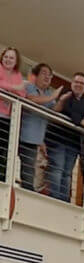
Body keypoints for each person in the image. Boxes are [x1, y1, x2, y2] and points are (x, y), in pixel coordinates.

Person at [49, 72, 84, 202]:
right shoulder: (65, 94)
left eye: (82, 83)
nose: (78, 85)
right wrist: (81, 121)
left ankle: (64, 200)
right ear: (72, 83)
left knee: (67, 173)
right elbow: (67, 110)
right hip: (57, 138)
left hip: (73, 142)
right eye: (76, 82)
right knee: (57, 169)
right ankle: (54, 198)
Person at [19, 63, 60, 192]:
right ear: (35, 76)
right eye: (44, 73)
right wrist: (53, 96)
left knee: (29, 167)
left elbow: (54, 108)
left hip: (35, 138)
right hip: (20, 132)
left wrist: (63, 99)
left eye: (50, 75)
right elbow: (32, 99)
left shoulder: (48, 92)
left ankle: (27, 192)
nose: (47, 77)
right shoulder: (30, 87)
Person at [0, 47, 25, 184]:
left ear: (16, 62)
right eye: (6, 57)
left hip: (9, 118)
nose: (8, 60)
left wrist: (9, 88)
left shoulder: (17, 75)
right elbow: (18, 89)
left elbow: (22, 94)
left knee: (5, 150)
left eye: (11, 58)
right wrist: (14, 88)